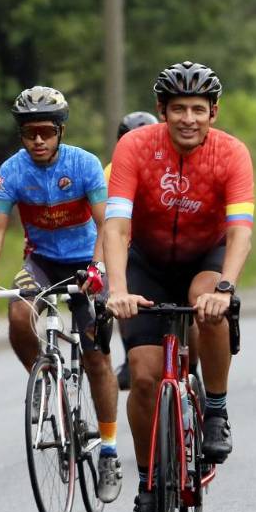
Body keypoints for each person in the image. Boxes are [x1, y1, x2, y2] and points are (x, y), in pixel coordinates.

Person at [104, 61, 255, 512]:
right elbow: (116, 226)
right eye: (177, 109)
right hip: (147, 262)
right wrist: (117, 289)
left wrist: (226, 288)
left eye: (197, 109)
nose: (188, 118)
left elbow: (239, 232)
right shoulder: (134, 147)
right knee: (145, 377)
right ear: (161, 112)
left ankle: (215, 408)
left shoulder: (232, 154)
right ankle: (149, 488)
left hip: (204, 258)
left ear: (213, 112)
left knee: (206, 303)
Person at [0, 86, 124, 504]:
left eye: (45, 132)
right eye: (28, 133)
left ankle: (109, 450)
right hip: (41, 261)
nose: (37, 140)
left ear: (59, 131)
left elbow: (106, 225)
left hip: (85, 262)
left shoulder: (85, 164)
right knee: (20, 316)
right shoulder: (12, 171)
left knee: (96, 358)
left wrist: (98, 270)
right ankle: (41, 379)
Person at [105, 110, 160, 392]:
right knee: (123, 298)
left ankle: (195, 370)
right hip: (130, 247)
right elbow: (106, 224)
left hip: (167, 247)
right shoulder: (111, 172)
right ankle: (129, 356)